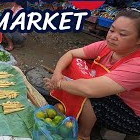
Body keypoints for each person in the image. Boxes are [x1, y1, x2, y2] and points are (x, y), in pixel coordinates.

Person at [45, 9, 140, 140]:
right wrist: (57, 74)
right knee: (75, 64)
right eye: (112, 30)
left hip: (132, 116)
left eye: (123, 34)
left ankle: (83, 135)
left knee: (92, 93)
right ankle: (70, 109)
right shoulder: (106, 46)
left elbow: (90, 89)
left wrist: (59, 84)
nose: (113, 36)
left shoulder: (137, 64)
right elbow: (71, 54)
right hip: (110, 94)